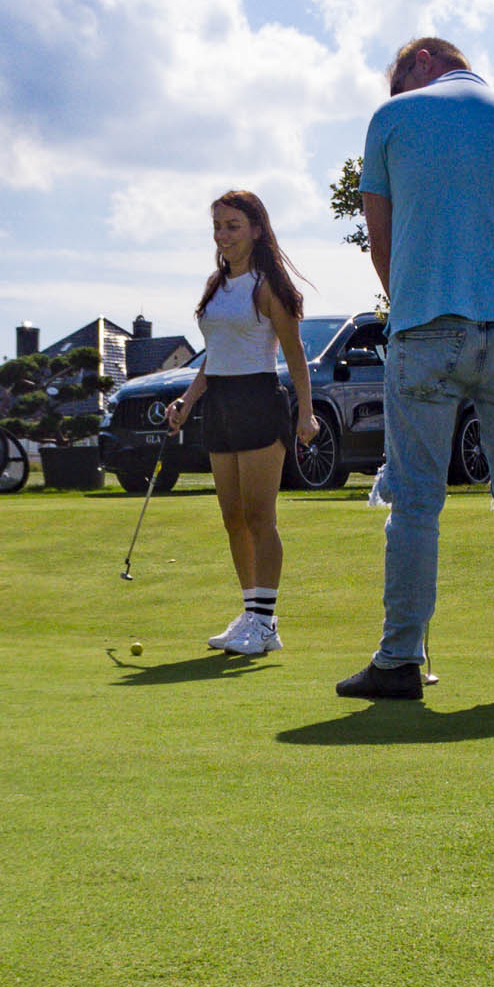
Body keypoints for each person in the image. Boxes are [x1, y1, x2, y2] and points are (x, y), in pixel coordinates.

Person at [338, 38, 494, 700]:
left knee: (415, 502)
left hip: (426, 328)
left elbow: (384, 244)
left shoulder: (391, 121)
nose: (396, 95)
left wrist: (411, 306)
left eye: (399, 79)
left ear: (427, 58)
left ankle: (401, 658)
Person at [162, 192, 322, 656]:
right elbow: (216, 354)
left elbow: (294, 353)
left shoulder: (268, 286)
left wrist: (306, 412)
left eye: (233, 225)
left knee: (259, 515)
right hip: (222, 405)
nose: (222, 234)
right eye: (217, 225)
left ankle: (266, 623)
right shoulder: (217, 285)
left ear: (256, 230)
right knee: (232, 517)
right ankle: (251, 613)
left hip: (258, 401)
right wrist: (188, 401)